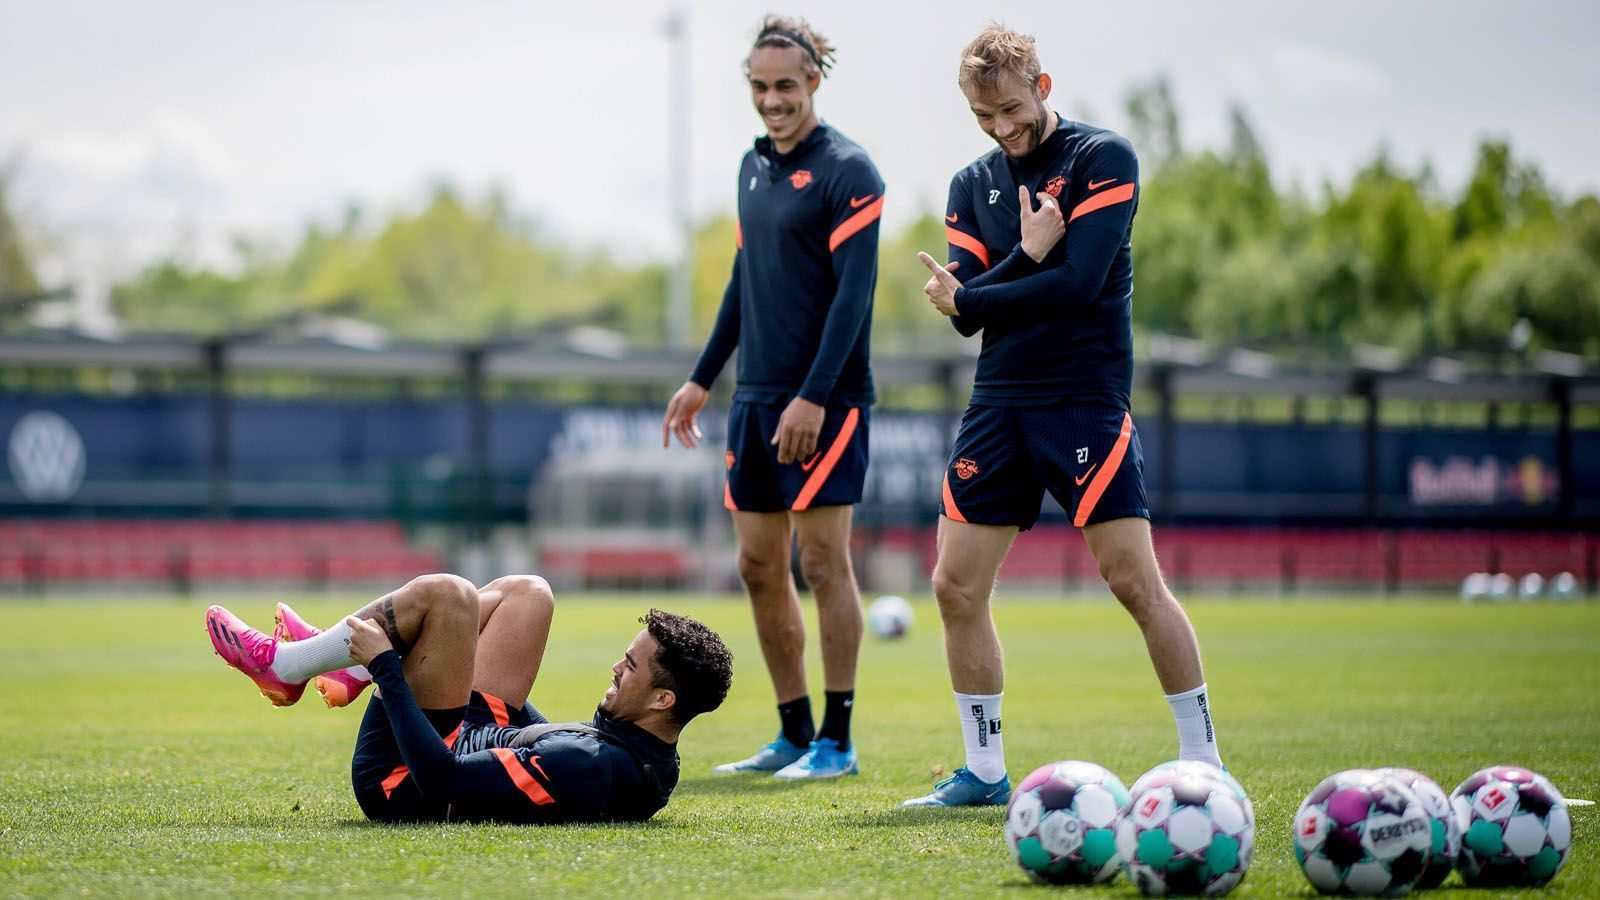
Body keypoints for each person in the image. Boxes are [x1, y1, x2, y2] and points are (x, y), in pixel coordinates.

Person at [902, 25, 1223, 808]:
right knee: (953, 588)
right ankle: (982, 773)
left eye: (1012, 110)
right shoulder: (969, 183)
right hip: (999, 403)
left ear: (1042, 88)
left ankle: (1203, 760)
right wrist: (1023, 257)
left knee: (1132, 582)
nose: (1002, 129)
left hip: (1083, 396)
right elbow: (968, 312)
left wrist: (987, 289)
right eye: (985, 117)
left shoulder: (1103, 158)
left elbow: (1079, 283)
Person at [661, 15, 883, 780]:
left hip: (824, 402)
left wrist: (815, 396)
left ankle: (838, 741)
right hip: (754, 400)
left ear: (815, 78)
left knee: (823, 565)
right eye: (759, 87)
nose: (771, 101)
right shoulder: (752, 168)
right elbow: (741, 283)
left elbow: (855, 296)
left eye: (785, 85)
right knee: (759, 567)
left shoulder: (850, 172)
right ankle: (792, 733)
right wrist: (701, 375)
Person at [204, 574, 733, 823]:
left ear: (663, 699)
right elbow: (544, 750)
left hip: (403, 776)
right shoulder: (653, 759)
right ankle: (345, 667)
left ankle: (289, 666)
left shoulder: (589, 764)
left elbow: (443, 780)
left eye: (631, 666)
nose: (617, 667)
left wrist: (391, 668)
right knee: (531, 594)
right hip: (464, 734)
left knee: (449, 596)